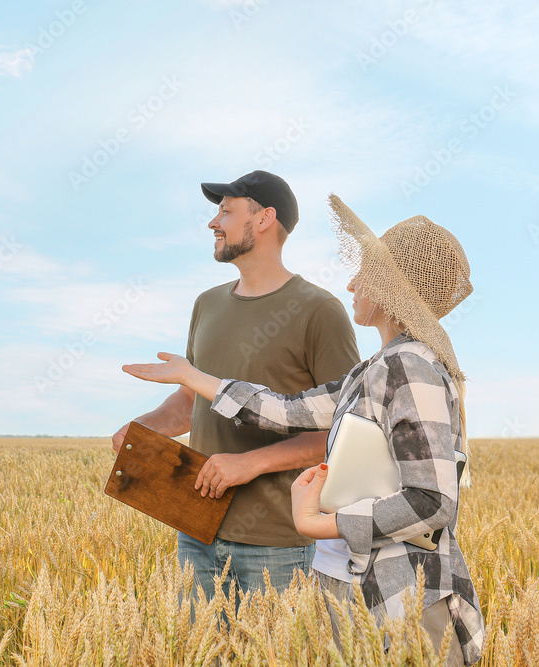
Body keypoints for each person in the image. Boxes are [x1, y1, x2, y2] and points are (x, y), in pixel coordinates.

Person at [122, 194, 484, 665]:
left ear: (394, 288)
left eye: (367, 273)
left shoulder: (410, 368)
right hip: (351, 584)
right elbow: (289, 410)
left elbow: (432, 500)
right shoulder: (374, 370)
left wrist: (321, 523)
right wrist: (196, 378)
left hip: (400, 597)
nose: (353, 282)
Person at [112, 171, 361, 605]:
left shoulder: (321, 310)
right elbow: (190, 402)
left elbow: (344, 431)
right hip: (197, 529)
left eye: (226, 211)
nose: (213, 223)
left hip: (279, 542)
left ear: (264, 218)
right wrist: (141, 429)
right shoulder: (206, 304)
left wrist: (250, 464)